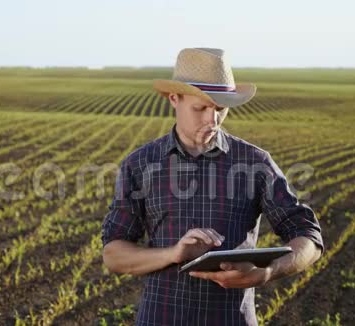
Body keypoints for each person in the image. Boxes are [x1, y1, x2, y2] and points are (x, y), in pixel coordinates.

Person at [101, 48, 324, 325]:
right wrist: (174, 254)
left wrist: (266, 272)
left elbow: (309, 237)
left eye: (220, 109)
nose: (212, 119)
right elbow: (113, 254)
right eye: (201, 107)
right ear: (174, 99)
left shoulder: (255, 162)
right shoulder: (140, 164)